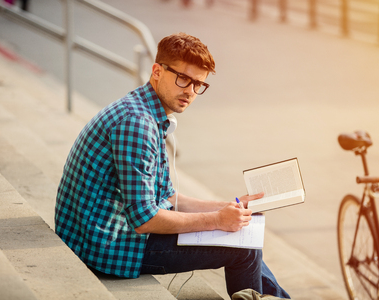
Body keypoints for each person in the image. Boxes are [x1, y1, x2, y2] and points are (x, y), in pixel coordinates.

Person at [55, 32, 290, 299]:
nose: (190, 91)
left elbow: (166, 196)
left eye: (198, 84)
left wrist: (228, 206)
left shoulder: (146, 112)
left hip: (107, 232)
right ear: (157, 71)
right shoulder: (137, 124)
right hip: (109, 246)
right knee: (244, 248)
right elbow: (144, 219)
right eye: (183, 79)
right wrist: (216, 220)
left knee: (245, 234)